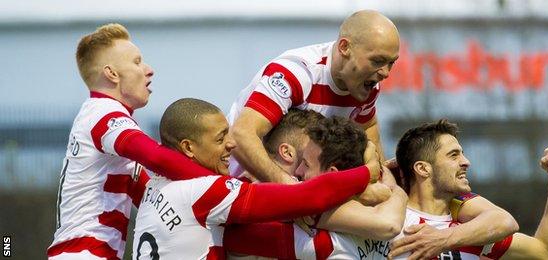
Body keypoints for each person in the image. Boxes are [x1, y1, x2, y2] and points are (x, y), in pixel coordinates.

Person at [48, 24, 230, 259]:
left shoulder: (102, 117)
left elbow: (154, 194)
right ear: (112, 74)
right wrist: (228, 187)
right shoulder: (103, 113)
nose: (149, 70)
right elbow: (156, 157)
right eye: (136, 62)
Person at [132, 98, 382, 259]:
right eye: (220, 139)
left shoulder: (154, 185)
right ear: (188, 148)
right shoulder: (206, 192)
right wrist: (369, 172)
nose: (231, 144)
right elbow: (308, 197)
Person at [228, 10, 400, 183]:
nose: (385, 73)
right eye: (377, 61)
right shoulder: (297, 73)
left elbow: (369, 124)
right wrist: (292, 190)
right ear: (344, 47)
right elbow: (240, 135)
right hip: (237, 182)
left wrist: (381, 174)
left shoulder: (365, 83)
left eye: (391, 62)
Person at [224, 116, 407, 259]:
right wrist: (388, 189)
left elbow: (388, 224)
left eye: (306, 164)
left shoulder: (320, 231)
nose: (298, 171)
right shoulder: (393, 208)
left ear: (333, 174)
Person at [389, 119, 548, 259]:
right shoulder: (390, 220)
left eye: (462, 153)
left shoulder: (470, 232)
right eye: (453, 155)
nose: (466, 162)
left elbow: (546, 252)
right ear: (422, 169)